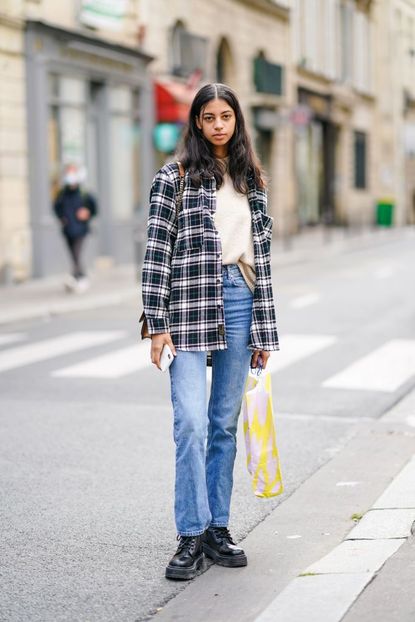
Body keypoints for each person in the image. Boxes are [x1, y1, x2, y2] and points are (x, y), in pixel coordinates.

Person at [141, 83, 279, 580]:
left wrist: (264, 329)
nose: (218, 124)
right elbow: (157, 253)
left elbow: (261, 260)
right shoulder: (174, 177)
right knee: (191, 424)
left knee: (223, 424)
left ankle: (218, 529)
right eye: (209, 117)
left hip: (241, 298)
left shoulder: (252, 180)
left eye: (226, 116)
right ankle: (189, 533)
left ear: (237, 121)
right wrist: (156, 324)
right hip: (189, 305)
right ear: (197, 124)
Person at [54, 164, 97, 292]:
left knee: (76, 255)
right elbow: (57, 208)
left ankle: (77, 278)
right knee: (73, 256)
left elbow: (94, 208)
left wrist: (87, 213)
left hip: (80, 230)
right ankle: (80, 277)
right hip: (67, 230)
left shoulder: (84, 193)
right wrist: (61, 217)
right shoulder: (62, 193)